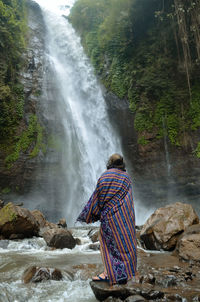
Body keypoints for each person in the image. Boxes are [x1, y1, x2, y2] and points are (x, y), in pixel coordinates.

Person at [77, 153, 137, 285]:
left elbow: (97, 198)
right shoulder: (126, 177)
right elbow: (128, 199)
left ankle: (108, 273)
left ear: (109, 163)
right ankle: (126, 274)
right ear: (122, 164)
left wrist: (88, 214)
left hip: (109, 219)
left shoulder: (104, 176)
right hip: (125, 219)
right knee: (126, 245)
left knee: (108, 246)